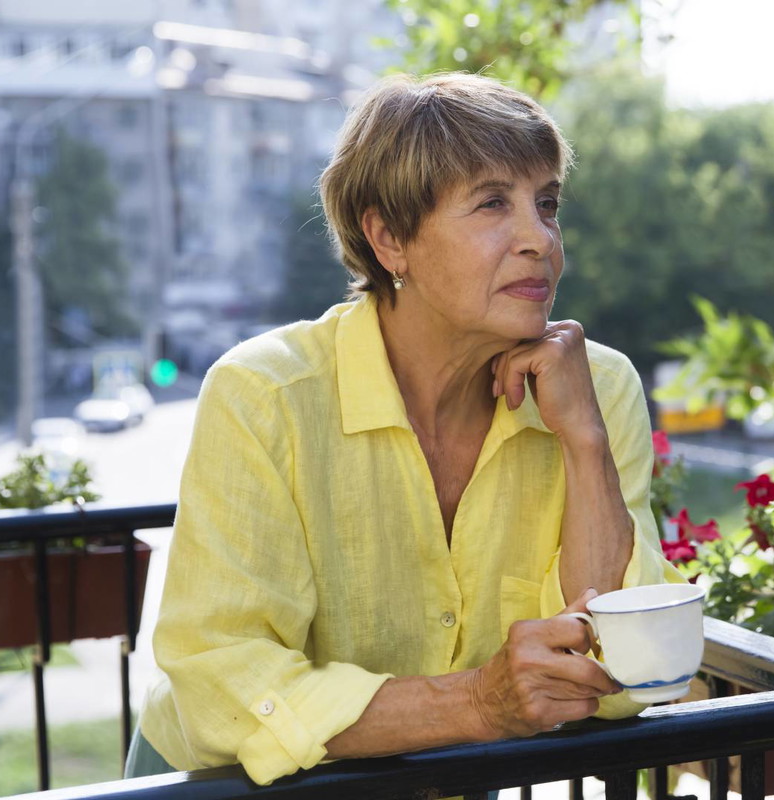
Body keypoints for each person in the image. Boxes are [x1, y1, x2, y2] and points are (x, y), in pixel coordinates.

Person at [129, 72, 684, 786]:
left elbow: (620, 670)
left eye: (547, 204)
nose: (540, 240)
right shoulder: (264, 395)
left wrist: (584, 439)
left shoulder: (598, 389)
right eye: (492, 204)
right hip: (221, 789)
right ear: (389, 238)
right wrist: (478, 703)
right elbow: (226, 685)